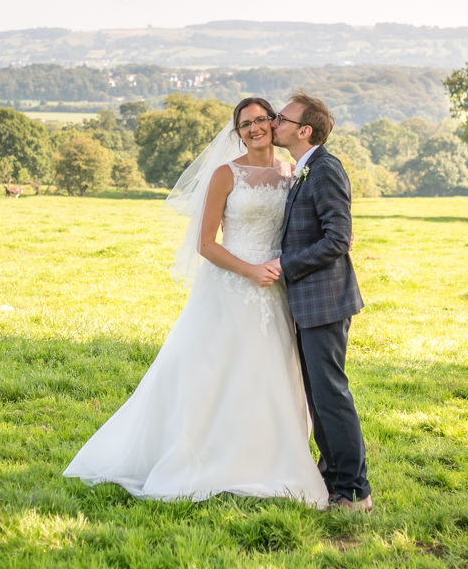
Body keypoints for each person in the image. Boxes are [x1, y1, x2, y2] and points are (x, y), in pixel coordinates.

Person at [63, 97, 329, 507]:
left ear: (276, 124)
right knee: (212, 372)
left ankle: (263, 457)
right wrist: (250, 271)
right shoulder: (226, 175)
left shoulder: (291, 172)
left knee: (268, 373)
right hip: (231, 285)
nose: (255, 128)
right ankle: (201, 456)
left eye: (262, 120)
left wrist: (278, 270)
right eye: (245, 124)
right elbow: (206, 244)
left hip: (275, 288)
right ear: (236, 132)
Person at [268, 92, 372, 512]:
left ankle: (354, 491)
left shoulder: (325, 169)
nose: (275, 122)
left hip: (325, 301)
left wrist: (285, 264)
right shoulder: (305, 168)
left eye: (282, 117)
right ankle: (332, 480)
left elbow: (338, 239)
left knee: (330, 395)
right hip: (308, 302)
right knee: (319, 396)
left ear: (303, 130)